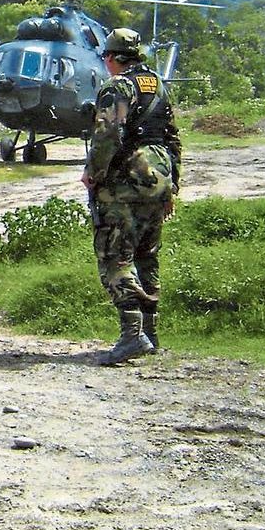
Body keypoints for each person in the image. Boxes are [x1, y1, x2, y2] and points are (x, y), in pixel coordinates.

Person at [83, 28, 181, 365]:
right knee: (146, 255)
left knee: (115, 257)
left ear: (110, 58)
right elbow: (172, 138)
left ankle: (131, 335)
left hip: (124, 183)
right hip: (158, 180)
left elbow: (107, 133)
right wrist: (173, 186)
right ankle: (151, 333)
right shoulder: (158, 85)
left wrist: (92, 173)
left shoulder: (117, 86)